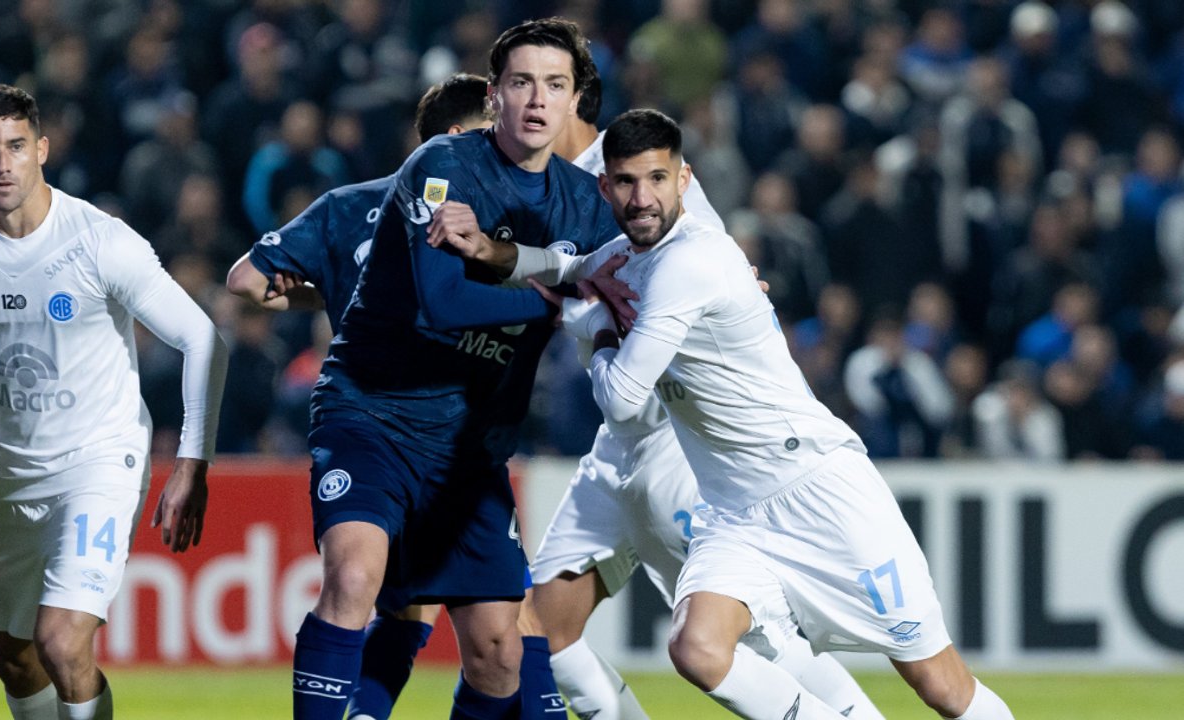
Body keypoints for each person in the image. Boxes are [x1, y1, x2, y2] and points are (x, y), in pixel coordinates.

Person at [539, 109, 1013, 719]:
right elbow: (563, 269)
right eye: (627, 183)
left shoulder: (692, 260)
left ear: (685, 181)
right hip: (736, 514)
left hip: (818, 489)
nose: (641, 197)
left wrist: (600, 328)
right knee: (698, 647)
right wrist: (491, 250)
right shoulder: (628, 259)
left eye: (656, 179)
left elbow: (623, 393)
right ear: (607, 189)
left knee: (941, 684)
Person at [438, 80, 882, 719]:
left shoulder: (633, 176)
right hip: (615, 449)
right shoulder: (529, 191)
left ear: (572, 101)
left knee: (749, 640)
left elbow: (700, 267)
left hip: (679, 445)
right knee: (543, 632)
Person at [247, 20, 620, 720]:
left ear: (575, 105)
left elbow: (636, 274)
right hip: (373, 414)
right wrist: (551, 301)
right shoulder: (443, 164)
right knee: (355, 577)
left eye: (555, 85)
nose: (537, 100)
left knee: (498, 655)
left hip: (471, 448)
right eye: (521, 83)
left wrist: (721, 273)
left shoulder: (584, 203)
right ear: (494, 94)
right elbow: (441, 304)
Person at [0, 85, 228, 720]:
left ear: (42, 151)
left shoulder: (98, 241)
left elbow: (201, 337)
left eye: (17, 147)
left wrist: (193, 462)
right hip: (14, 476)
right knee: (14, 656)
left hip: (100, 462)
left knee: (62, 640)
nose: (3, 164)